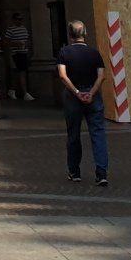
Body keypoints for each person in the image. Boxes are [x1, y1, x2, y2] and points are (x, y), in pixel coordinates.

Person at [56, 19, 109, 186]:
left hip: (73, 96)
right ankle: (101, 173)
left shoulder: (64, 52)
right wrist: (91, 92)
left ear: (70, 35)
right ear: (85, 34)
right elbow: (101, 76)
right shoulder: (94, 53)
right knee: (98, 133)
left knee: (73, 134)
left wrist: (78, 92)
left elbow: (63, 76)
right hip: (93, 95)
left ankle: (74, 171)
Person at [2, 11, 33, 101]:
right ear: (14, 20)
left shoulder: (24, 29)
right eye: (18, 19)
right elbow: (6, 43)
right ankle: (23, 93)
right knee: (18, 73)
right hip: (15, 54)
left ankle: (15, 91)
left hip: (24, 53)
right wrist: (16, 43)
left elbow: (27, 40)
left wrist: (26, 45)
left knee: (21, 72)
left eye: (21, 19)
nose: (20, 21)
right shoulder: (10, 30)